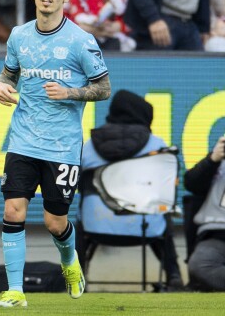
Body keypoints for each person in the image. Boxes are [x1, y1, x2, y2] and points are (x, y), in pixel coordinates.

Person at [0, 0, 111, 307]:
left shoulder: (80, 41)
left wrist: (70, 92)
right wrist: (0, 86)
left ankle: (70, 261)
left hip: (62, 147)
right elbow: (8, 75)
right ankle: (15, 291)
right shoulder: (19, 35)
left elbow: (103, 88)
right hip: (23, 140)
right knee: (13, 210)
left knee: (55, 221)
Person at [78, 89, 184, 290]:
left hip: (96, 225)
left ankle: (76, 278)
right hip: (145, 227)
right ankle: (174, 276)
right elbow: (166, 190)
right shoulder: (157, 146)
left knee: (80, 217)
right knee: (161, 212)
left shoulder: (89, 146)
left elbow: (77, 185)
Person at [185, 136, 225, 291]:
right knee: (201, 264)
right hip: (219, 234)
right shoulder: (221, 162)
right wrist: (212, 159)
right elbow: (191, 183)